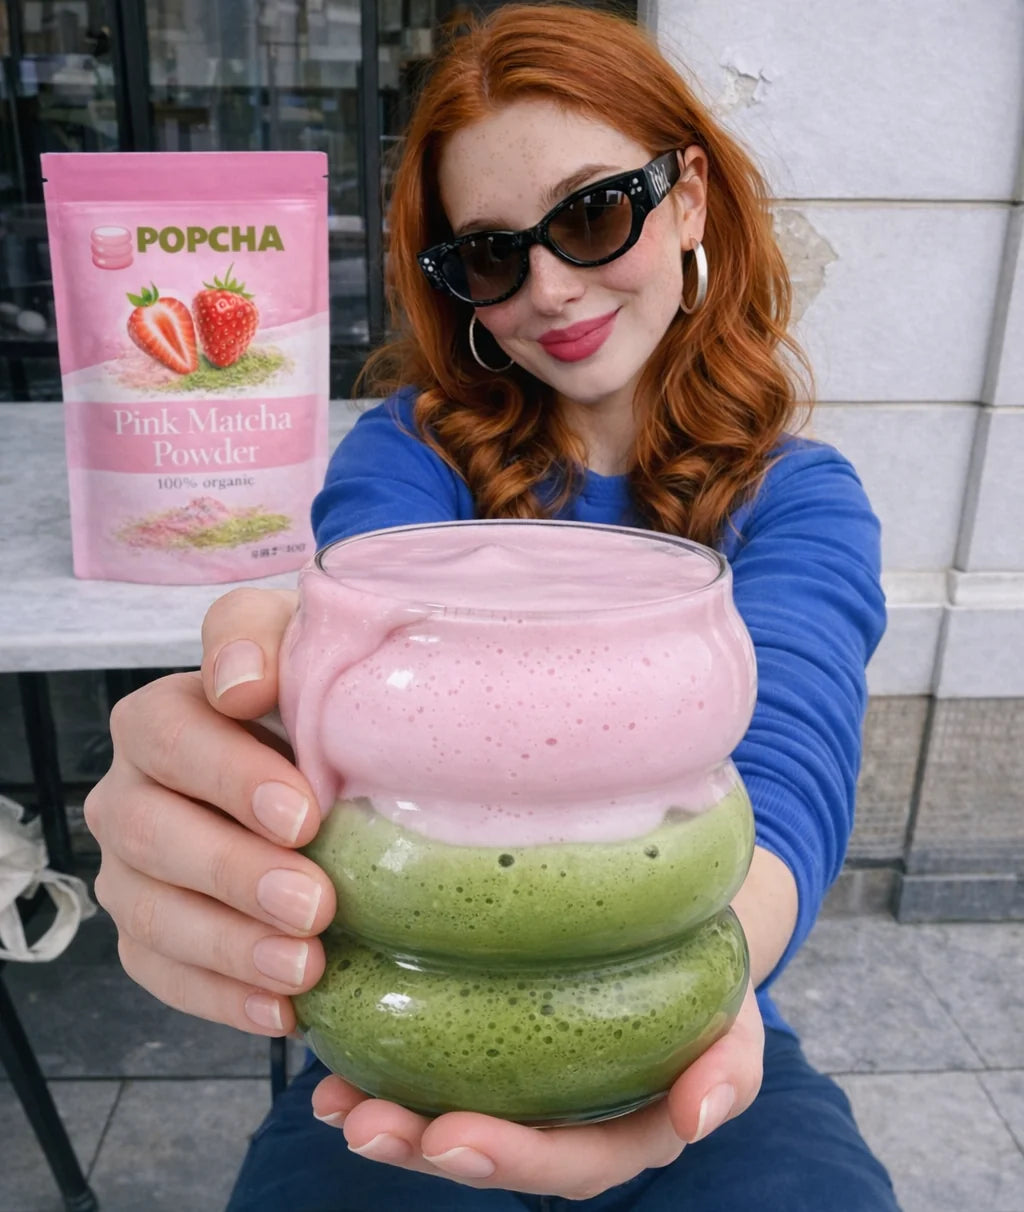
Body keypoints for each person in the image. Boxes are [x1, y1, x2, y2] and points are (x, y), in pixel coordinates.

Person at [84, 5, 899, 1209]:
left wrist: (687, 1005)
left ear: (686, 200)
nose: (550, 285)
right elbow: (354, 631)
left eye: (590, 213)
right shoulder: (412, 457)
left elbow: (786, 768)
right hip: (399, 1025)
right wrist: (241, 745)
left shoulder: (797, 497)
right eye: (490, 253)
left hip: (695, 1011)